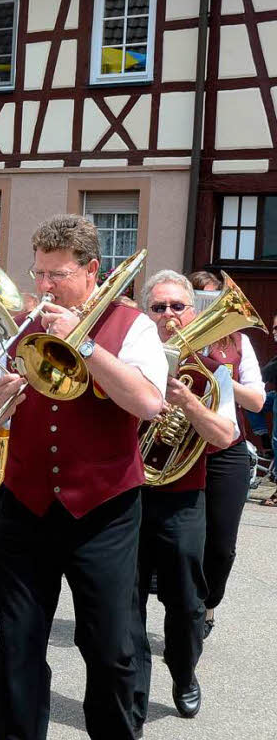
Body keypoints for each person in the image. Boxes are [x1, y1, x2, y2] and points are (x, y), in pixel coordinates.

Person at [0, 215, 167, 740]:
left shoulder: (133, 326)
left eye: (57, 275)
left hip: (104, 510)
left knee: (110, 647)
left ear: (92, 270)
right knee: (18, 642)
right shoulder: (22, 326)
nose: (44, 286)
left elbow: (148, 402)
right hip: (25, 506)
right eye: (39, 273)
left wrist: (82, 344)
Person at [133, 270, 238, 727]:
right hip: (128, 495)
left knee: (186, 601)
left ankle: (183, 674)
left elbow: (227, 433)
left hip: (181, 497)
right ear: (145, 314)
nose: (169, 315)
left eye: (178, 306)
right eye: (159, 307)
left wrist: (189, 405)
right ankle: (132, 692)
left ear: (193, 312)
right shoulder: (129, 360)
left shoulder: (211, 370)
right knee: (124, 601)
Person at [188, 270, 266, 638]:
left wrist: (217, 373)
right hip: (177, 446)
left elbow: (256, 400)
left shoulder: (238, 341)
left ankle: (208, 606)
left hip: (225, 448)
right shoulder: (169, 335)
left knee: (222, 544)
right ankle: (182, 605)